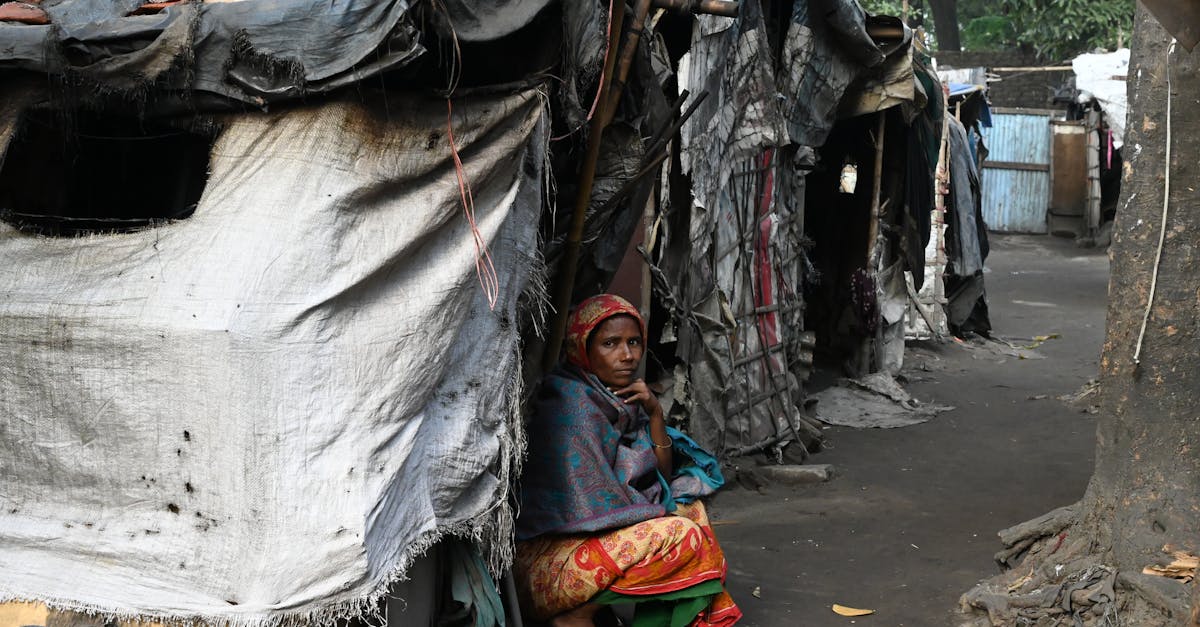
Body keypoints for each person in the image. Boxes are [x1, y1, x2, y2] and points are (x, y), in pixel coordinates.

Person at [515, 294, 741, 627]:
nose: (627, 355)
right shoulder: (570, 411)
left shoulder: (616, 401)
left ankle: (603, 613)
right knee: (683, 534)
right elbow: (591, 510)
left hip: (588, 542)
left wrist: (655, 414)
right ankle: (576, 614)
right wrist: (661, 519)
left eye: (634, 342)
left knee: (692, 512)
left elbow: (660, 476)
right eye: (610, 343)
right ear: (582, 349)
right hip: (547, 563)